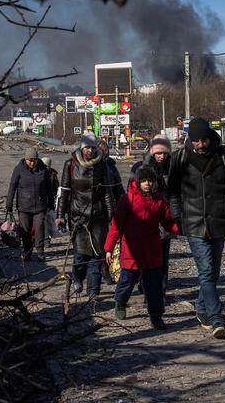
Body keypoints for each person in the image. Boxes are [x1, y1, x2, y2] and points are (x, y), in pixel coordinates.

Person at [168, 117, 225, 338]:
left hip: (219, 221)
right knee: (206, 272)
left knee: (213, 272)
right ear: (190, 140)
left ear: (211, 137)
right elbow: (173, 193)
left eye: (204, 140)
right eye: (196, 141)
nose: (201, 145)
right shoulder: (179, 158)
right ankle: (217, 318)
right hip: (193, 223)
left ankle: (201, 309)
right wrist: (177, 219)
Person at [105, 166, 177, 330]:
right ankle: (120, 302)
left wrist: (186, 230)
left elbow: (168, 222)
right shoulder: (127, 200)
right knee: (127, 280)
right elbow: (116, 226)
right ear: (138, 182)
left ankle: (156, 316)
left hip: (152, 249)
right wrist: (109, 248)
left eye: (150, 181)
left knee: (154, 285)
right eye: (144, 181)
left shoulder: (159, 201)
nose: (147, 184)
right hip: (132, 248)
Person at [56, 132, 115, 298]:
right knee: (81, 255)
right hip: (78, 215)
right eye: (87, 147)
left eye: (92, 147)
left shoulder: (101, 165)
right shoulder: (71, 164)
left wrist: (112, 218)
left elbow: (107, 193)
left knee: (98, 255)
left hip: (98, 216)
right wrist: (60, 216)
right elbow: (65, 191)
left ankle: (93, 293)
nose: (89, 150)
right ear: (82, 147)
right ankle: (77, 277)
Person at [129, 134, 174, 291]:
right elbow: (132, 195)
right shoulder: (142, 169)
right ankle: (145, 283)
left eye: (164, 153)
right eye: (158, 153)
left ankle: (160, 290)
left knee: (163, 256)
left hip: (165, 218)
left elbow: (178, 193)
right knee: (146, 255)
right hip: (145, 219)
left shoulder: (173, 168)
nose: (161, 156)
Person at [6, 148, 52, 261]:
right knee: (25, 231)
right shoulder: (19, 169)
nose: (32, 163)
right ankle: (27, 252)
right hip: (24, 206)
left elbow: (49, 188)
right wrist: (9, 203)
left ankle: (40, 252)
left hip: (40, 206)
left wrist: (51, 203)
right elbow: (12, 186)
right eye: (30, 160)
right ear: (26, 159)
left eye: (34, 160)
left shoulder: (43, 169)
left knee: (39, 228)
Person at [98, 139, 125, 204]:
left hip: (110, 202)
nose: (102, 153)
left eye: (104, 150)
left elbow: (118, 188)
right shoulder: (91, 166)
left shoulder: (111, 166)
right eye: (100, 150)